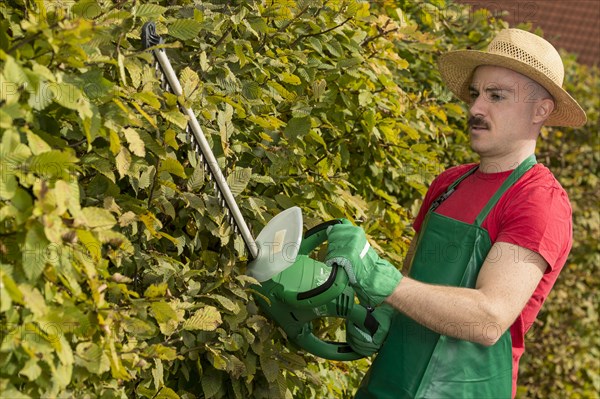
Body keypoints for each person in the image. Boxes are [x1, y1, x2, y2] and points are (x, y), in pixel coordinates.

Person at [326, 28, 587, 398]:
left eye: (496, 96)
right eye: (476, 94)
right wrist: (383, 312)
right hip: (388, 385)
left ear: (540, 110)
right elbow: (413, 276)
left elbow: (489, 318)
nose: (476, 109)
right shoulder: (449, 183)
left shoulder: (537, 199)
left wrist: (385, 283)